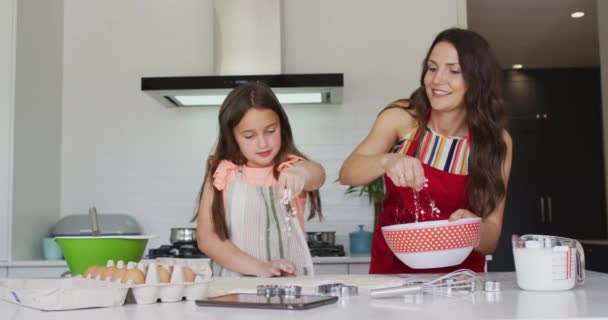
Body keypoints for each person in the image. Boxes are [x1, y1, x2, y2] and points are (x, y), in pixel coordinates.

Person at [339, 28, 513, 273]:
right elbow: (348, 172)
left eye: (453, 71)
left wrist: (472, 230)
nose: (436, 80)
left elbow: (492, 235)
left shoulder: (496, 141)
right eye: (432, 68)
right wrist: (386, 161)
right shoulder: (403, 119)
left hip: (461, 281)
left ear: (477, 81)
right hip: (394, 278)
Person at [194, 81, 325, 277]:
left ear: (282, 126)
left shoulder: (290, 168)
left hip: (289, 287)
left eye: (271, 131)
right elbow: (207, 238)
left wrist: (301, 174)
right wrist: (260, 268)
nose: (263, 143)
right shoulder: (223, 172)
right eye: (249, 136)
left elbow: (317, 174)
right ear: (233, 137)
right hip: (234, 289)